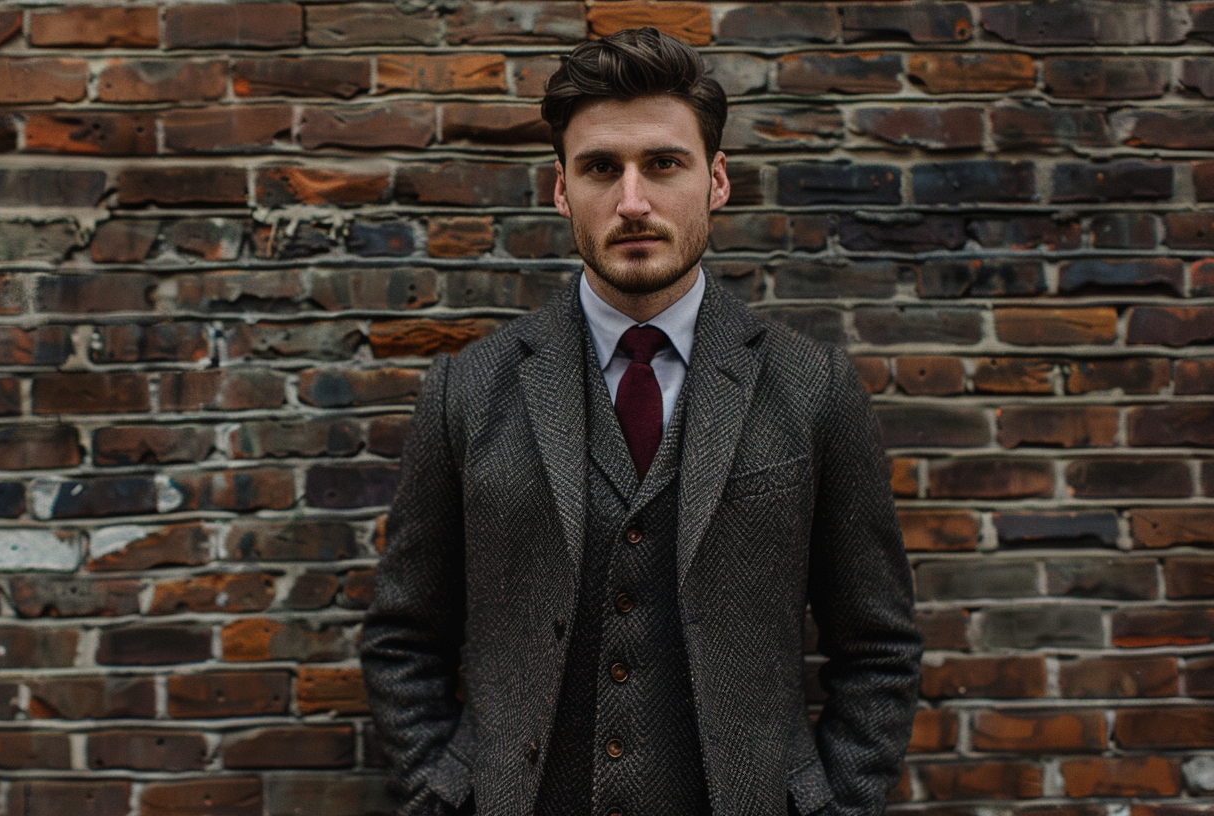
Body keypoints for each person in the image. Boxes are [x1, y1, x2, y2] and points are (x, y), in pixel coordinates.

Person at [360, 27, 922, 816]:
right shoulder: (468, 390)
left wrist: (837, 804)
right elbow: (404, 638)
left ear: (717, 179)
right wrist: (442, 793)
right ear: (560, 189)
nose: (632, 201)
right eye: (600, 168)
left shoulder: (812, 387)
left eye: (663, 164)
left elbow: (878, 648)